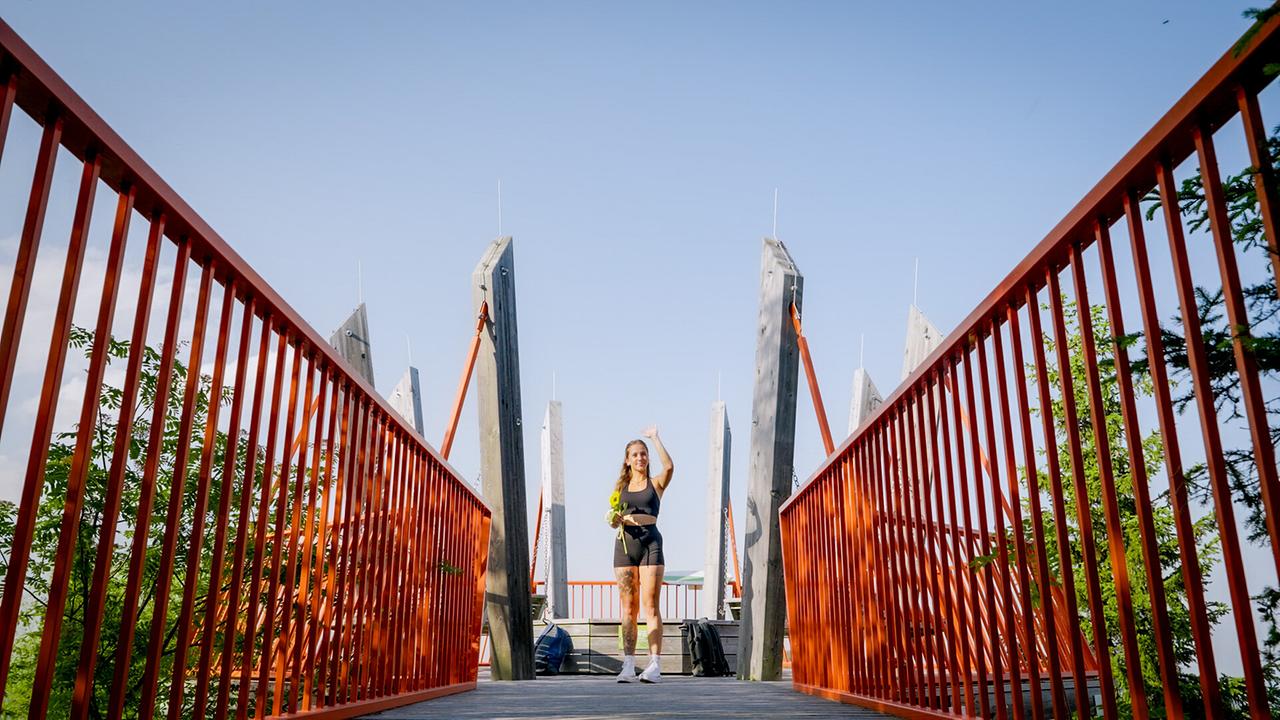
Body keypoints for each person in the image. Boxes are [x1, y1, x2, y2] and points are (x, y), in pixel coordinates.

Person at [609, 426, 673, 683]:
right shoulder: (621, 487)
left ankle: (655, 665)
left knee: (650, 605)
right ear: (627, 460)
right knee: (628, 609)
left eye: (643, 454)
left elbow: (668, 467)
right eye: (635, 455)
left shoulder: (655, 483)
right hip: (625, 544)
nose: (640, 458)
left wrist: (655, 438)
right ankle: (628, 665)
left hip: (650, 544)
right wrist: (614, 520)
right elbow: (614, 518)